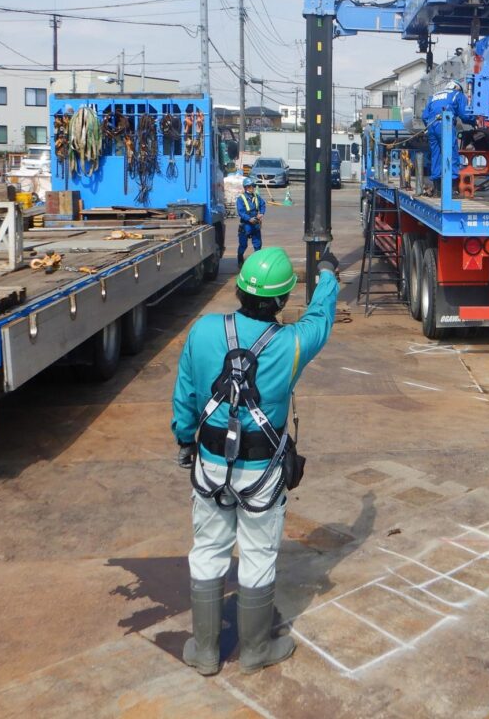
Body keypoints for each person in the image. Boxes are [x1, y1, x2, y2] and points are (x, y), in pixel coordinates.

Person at [172, 245, 340, 677]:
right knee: (259, 553)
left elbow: (185, 393)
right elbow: (321, 317)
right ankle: (255, 651)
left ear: (240, 288)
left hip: (210, 463)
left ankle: (205, 652)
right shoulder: (293, 344)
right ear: (282, 300)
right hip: (262, 472)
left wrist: (185, 440)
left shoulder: (203, 331)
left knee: (208, 549)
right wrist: (326, 273)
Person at [421, 80, 476, 194]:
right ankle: (452, 189)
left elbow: (424, 116)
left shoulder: (434, 96)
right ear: (457, 88)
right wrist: (474, 121)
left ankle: (437, 189)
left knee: (436, 155)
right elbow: (465, 115)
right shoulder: (457, 95)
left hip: (431, 126)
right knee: (451, 154)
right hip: (445, 125)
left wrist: (430, 126)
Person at [236, 177, 266, 267]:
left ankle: (257, 261)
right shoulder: (241, 198)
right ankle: (240, 258)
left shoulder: (256, 197)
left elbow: (263, 204)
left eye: (253, 186)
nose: (252, 188)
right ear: (246, 187)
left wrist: (261, 213)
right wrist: (249, 219)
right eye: (250, 186)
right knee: (243, 244)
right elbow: (241, 212)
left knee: (258, 244)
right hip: (246, 225)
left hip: (255, 224)